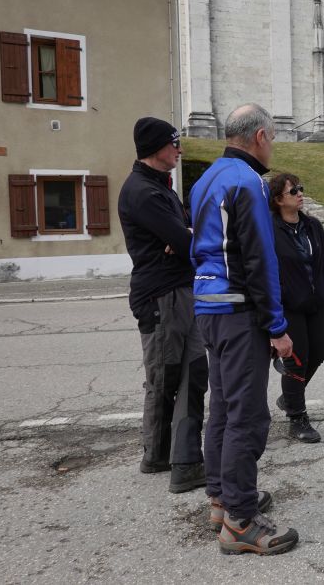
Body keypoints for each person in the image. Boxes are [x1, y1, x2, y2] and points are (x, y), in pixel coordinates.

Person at [190, 103, 299, 556]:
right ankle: (239, 520)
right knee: (248, 416)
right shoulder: (247, 182)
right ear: (259, 137)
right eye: (272, 138)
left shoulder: (204, 179)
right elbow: (259, 258)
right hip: (238, 312)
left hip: (207, 307)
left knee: (223, 407)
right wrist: (277, 327)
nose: (272, 146)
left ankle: (221, 497)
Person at [117, 117, 208, 494]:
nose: (179, 149)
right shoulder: (143, 192)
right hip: (161, 296)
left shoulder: (160, 189)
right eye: (174, 143)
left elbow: (188, 233)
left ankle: (182, 457)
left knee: (192, 374)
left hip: (180, 291)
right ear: (156, 148)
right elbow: (187, 241)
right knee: (166, 376)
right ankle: (158, 455)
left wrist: (183, 235)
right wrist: (182, 237)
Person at [268, 172, 324, 443]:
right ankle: (297, 417)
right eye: (293, 190)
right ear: (277, 200)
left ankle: (289, 397)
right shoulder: (270, 230)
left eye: (300, 188)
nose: (300, 194)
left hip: (316, 303)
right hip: (290, 306)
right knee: (297, 360)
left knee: (318, 352)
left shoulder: (312, 226)